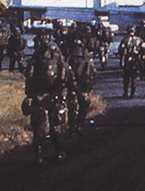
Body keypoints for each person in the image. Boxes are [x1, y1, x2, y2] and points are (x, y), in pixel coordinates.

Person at [22, 32, 70, 164]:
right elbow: (65, 76)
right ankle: (59, 152)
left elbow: (29, 77)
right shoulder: (58, 57)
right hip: (53, 96)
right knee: (56, 127)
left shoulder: (35, 58)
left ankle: (39, 155)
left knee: (40, 128)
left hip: (41, 96)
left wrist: (30, 95)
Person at [65, 38, 95, 136]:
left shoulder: (68, 59)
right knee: (81, 105)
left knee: (73, 107)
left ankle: (73, 127)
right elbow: (92, 75)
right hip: (80, 88)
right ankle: (78, 126)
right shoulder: (86, 60)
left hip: (74, 87)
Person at [116, 25, 145, 98]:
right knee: (133, 77)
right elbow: (144, 48)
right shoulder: (139, 40)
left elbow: (121, 50)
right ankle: (132, 93)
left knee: (127, 78)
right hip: (135, 61)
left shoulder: (125, 40)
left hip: (128, 61)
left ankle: (126, 92)